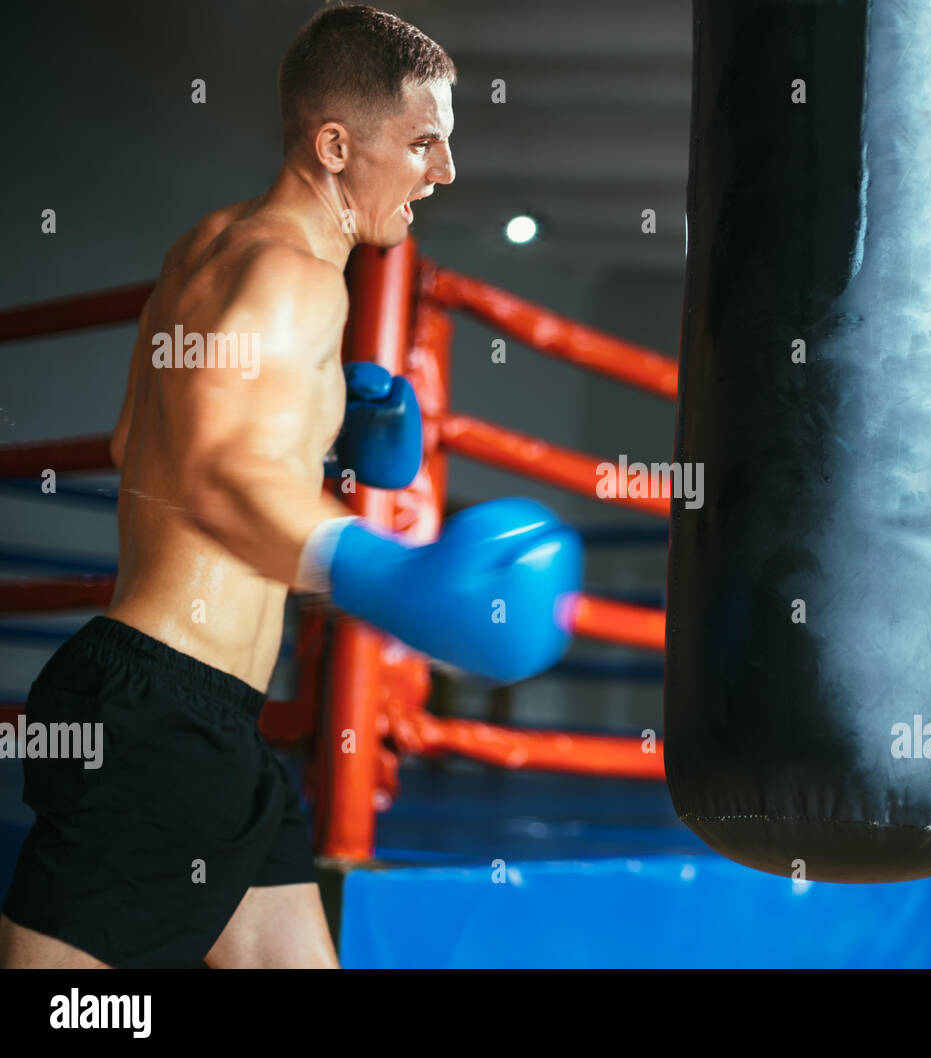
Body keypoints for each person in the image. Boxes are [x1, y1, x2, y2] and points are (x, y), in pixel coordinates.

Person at [0, 4, 580, 969]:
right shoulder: (294, 280)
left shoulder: (211, 246)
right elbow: (222, 476)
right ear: (336, 145)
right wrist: (389, 578)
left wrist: (333, 433)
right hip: (162, 719)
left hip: (194, 712)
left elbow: (139, 438)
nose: (442, 171)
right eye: (422, 143)